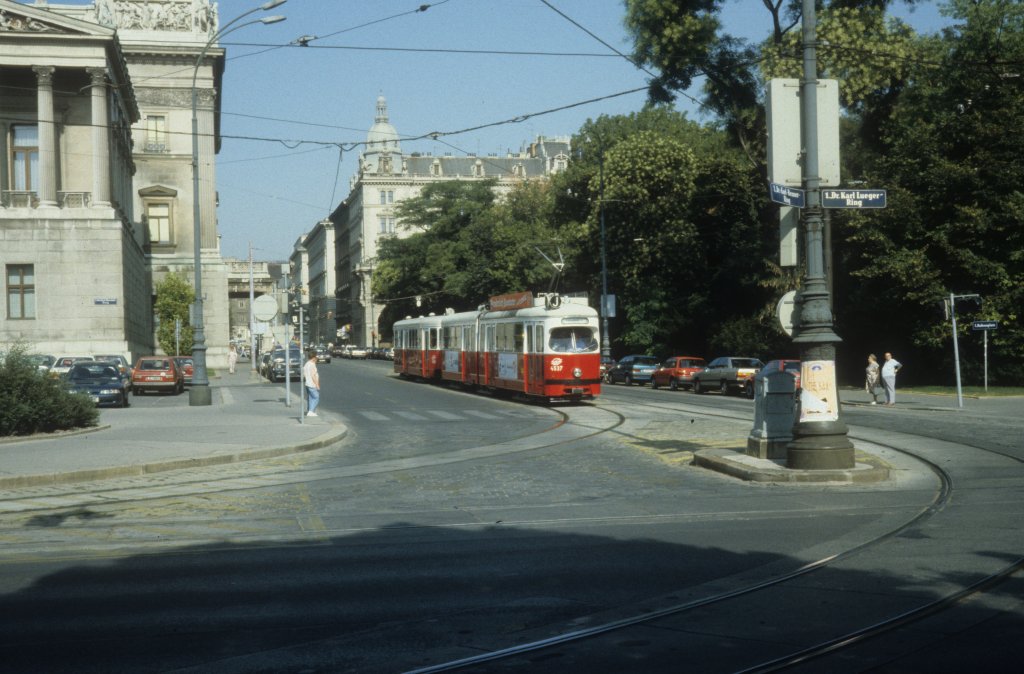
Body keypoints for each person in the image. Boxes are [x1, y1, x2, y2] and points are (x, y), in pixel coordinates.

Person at [303, 348, 320, 417]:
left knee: (310, 397)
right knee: (316, 397)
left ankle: (310, 410)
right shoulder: (312, 364)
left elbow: (304, 374)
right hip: (312, 384)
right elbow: (313, 375)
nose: (317, 358)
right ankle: (311, 411)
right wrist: (317, 384)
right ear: (313, 357)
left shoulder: (306, 364)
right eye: (316, 356)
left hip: (307, 383)